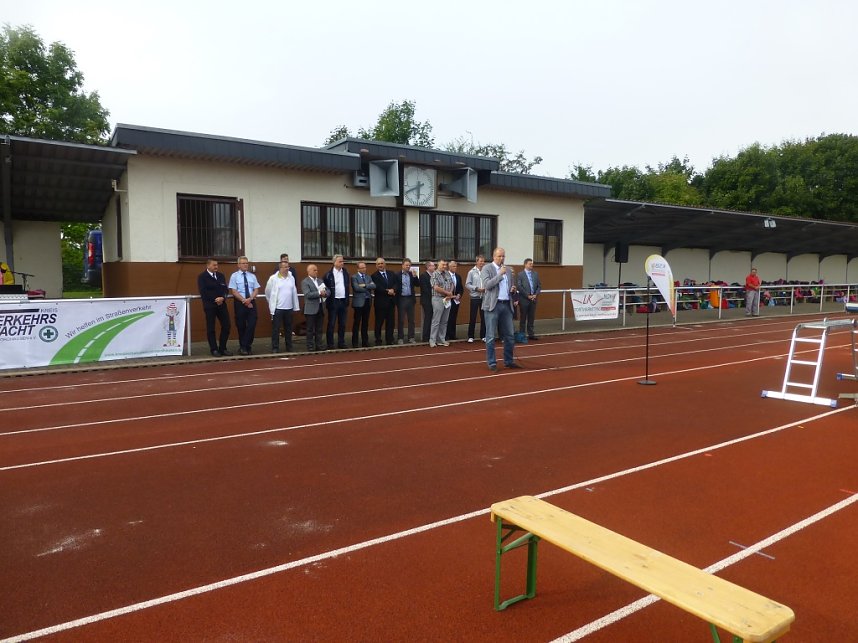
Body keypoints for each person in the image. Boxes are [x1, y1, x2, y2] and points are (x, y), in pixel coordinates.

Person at [481, 247, 521, 372]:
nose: (502, 258)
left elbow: (510, 285)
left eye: (503, 256)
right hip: (493, 305)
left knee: (509, 335)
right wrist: (499, 275)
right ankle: (492, 362)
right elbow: (487, 285)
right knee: (491, 336)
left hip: (506, 304)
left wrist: (512, 289)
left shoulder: (508, 270)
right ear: (494, 256)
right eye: (499, 256)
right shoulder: (487, 268)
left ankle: (508, 361)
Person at [197, 258, 232, 357]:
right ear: (208, 266)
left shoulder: (221, 276)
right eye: (214, 265)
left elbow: (225, 289)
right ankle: (214, 349)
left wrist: (222, 298)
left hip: (222, 305)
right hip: (210, 306)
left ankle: (222, 348)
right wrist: (215, 299)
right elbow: (203, 291)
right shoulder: (202, 277)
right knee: (211, 328)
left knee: (227, 325)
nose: (216, 267)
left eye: (217, 265)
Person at [228, 256, 260, 355]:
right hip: (240, 303)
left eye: (246, 263)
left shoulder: (252, 276)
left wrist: (250, 299)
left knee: (252, 324)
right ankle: (245, 348)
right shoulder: (234, 276)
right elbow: (234, 290)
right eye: (243, 263)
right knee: (241, 325)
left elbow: (256, 289)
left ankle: (244, 345)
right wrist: (244, 300)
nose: (245, 265)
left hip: (251, 302)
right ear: (238, 265)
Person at [265, 259, 299, 352]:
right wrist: (271, 303)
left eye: (288, 267)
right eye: (285, 267)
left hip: (289, 308)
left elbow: (294, 292)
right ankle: (275, 347)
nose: (287, 269)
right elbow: (267, 292)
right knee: (276, 329)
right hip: (278, 308)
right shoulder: (273, 279)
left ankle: (289, 347)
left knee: (288, 329)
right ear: (280, 268)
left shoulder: (291, 278)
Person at [323, 254, 350, 349]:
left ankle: (341, 342)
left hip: (343, 300)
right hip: (333, 301)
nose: (342, 263)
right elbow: (325, 288)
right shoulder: (328, 274)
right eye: (340, 261)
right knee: (331, 323)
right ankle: (330, 343)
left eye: (343, 261)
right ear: (334, 262)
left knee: (342, 324)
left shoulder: (345, 273)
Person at [371, 257, 396, 345]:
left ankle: (389, 340)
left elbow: (396, 283)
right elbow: (377, 287)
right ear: (376, 266)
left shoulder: (391, 273)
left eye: (382, 263)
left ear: (385, 264)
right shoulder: (374, 276)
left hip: (391, 302)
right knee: (379, 323)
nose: (380, 265)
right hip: (380, 303)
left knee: (390, 323)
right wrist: (388, 291)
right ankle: (378, 340)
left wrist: (393, 289)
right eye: (378, 264)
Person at [429, 259, 454, 347]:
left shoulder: (447, 273)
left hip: (447, 299)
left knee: (444, 321)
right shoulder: (434, 274)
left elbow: (452, 284)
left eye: (445, 265)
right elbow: (436, 287)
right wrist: (447, 293)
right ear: (438, 265)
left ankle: (441, 339)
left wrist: (450, 293)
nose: (444, 266)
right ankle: (432, 340)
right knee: (436, 321)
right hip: (438, 299)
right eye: (443, 265)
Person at [302, 264, 327, 352]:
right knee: (310, 328)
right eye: (314, 270)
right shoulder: (305, 282)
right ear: (309, 271)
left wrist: (326, 293)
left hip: (320, 306)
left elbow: (327, 290)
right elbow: (308, 294)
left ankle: (319, 344)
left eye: (316, 270)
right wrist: (319, 293)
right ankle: (310, 346)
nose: (316, 272)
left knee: (319, 328)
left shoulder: (320, 281)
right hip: (310, 308)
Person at [351, 261, 376, 347]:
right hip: (358, 303)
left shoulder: (368, 277)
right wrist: (368, 287)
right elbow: (356, 288)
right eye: (362, 268)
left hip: (367, 301)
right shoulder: (354, 277)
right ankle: (355, 342)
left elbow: (374, 286)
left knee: (365, 322)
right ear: (358, 269)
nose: (364, 269)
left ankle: (365, 341)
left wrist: (364, 285)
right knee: (357, 322)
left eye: (365, 267)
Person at [516, 258, 542, 340]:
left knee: (531, 317)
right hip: (524, 299)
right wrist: (527, 295)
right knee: (523, 317)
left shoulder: (535, 274)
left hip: (533, 299)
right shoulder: (520, 274)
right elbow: (519, 287)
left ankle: (531, 334)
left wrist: (535, 294)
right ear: (525, 264)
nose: (531, 265)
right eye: (530, 264)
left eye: (532, 263)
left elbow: (539, 286)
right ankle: (522, 334)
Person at [396, 258, 418, 344]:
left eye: (409, 265)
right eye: (406, 265)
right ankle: (400, 338)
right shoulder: (397, 275)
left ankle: (411, 337)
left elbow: (417, 284)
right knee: (401, 319)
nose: (408, 267)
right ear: (402, 265)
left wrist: (415, 276)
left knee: (411, 320)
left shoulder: (411, 274)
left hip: (410, 299)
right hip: (401, 299)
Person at [465, 255, 486, 343]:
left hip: (484, 297)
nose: (482, 263)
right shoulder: (471, 272)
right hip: (475, 297)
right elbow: (467, 284)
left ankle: (483, 336)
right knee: (473, 317)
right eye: (480, 261)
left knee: (484, 317)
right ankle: (471, 336)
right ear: (476, 262)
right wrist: (476, 288)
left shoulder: (486, 271)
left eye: (483, 261)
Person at [445, 260, 464, 340]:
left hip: (455, 300)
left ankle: (452, 334)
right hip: (447, 299)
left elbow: (461, 288)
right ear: (449, 267)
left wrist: (459, 294)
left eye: (456, 266)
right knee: (446, 318)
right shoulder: (445, 276)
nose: (455, 268)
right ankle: (446, 335)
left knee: (453, 317)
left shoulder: (458, 276)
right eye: (453, 266)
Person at [419, 260, 436, 342]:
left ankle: (432, 335)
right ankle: (425, 337)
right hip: (427, 301)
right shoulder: (423, 276)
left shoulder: (434, 275)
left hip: (434, 300)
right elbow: (425, 289)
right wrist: (435, 294)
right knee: (428, 318)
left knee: (433, 318)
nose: (434, 267)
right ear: (428, 267)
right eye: (433, 266)